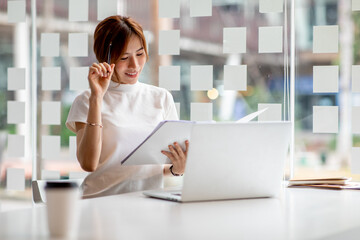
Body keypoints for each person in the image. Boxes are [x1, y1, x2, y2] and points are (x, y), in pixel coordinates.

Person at [66, 15, 188, 199]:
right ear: (105, 59)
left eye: (140, 54)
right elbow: (88, 164)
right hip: (100, 203)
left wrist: (177, 169)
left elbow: (157, 168)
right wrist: (97, 97)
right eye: (124, 57)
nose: (135, 65)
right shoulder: (86, 100)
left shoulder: (161, 98)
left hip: (148, 204)